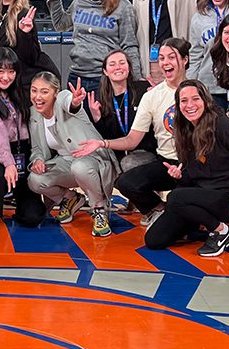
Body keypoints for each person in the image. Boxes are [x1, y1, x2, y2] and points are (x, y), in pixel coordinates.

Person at [74, 38, 192, 227]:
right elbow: (130, 139)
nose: (165, 62)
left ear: (185, 59)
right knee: (126, 181)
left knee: (189, 217)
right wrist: (100, 134)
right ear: (105, 71)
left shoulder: (148, 90)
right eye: (161, 58)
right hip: (165, 162)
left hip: (192, 163)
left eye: (172, 57)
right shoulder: (149, 95)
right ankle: (157, 207)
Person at [144, 80, 229, 256]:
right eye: (184, 101)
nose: (190, 105)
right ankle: (199, 222)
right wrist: (179, 175)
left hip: (225, 196)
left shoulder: (223, 125)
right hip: (200, 196)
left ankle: (221, 231)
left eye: (195, 99)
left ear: (205, 100)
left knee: (175, 197)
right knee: (154, 240)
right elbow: (194, 172)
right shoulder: (183, 129)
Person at [28, 72, 117, 236]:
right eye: (34, 91)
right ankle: (70, 198)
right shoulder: (34, 113)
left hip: (93, 159)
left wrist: (75, 101)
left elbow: (69, 103)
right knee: (35, 180)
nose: (37, 96)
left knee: (79, 167)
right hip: (66, 162)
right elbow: (37, 148)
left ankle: (99, 209)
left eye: (44, 91)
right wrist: (38, 160)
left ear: (55, 93)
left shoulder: (62, 99)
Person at [0, 48, 47, 229]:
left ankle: (16, 197)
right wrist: (8, 163)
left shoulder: (21, 93)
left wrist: (38, 156)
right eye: (0, 71)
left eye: (11, 71)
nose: (6, 77)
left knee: (33, 217)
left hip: (23, 153)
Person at [48, 0, 141, 96]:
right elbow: (60, 25)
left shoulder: (122, 6)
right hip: (77, 76)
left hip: (106, 78)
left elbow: (129, 45)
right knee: (76, 117)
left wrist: (136, 81)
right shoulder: (79, 2)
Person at [86, 49, 158, 177]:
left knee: (128, 164)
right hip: (119, 151)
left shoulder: (144, 89)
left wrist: (157, 95)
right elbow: (110, 136)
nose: (118, 67)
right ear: (105, 71)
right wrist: (98, 119)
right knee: (98, 165)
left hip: (146, 151)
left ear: (129, 68)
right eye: (112, 64)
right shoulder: (103, 98)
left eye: (122, 63)